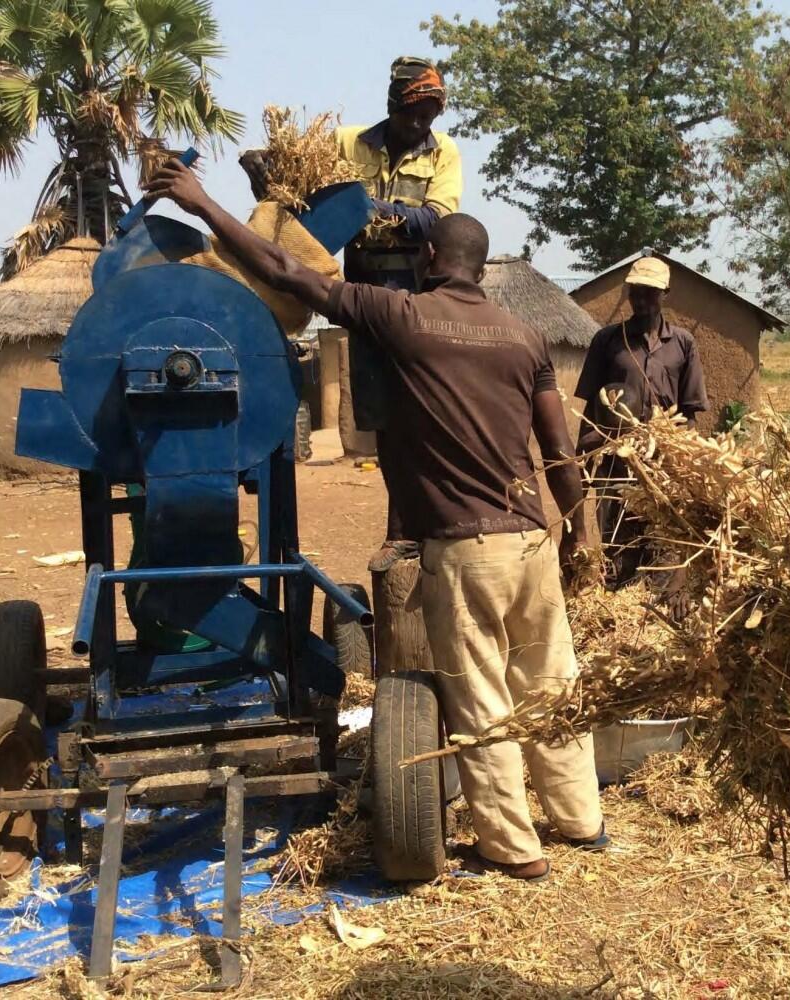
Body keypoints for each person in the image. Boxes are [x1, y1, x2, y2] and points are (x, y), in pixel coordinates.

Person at [146, 160, 605, 881]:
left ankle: (515, 850)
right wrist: (584, 531)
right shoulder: (525, 339)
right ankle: (582, 821)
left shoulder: (405, 317)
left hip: (467, 545)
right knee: (552, 684)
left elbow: (282, 268)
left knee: (481, 696)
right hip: (532, 541)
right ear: (482, 271)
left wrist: (203, 203)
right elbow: (560, 448)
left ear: (428, 261)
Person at [339, 56, 463, 571]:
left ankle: (417, 525)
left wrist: (368, 211)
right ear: (392, 105)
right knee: (384, 422)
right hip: (365, 293)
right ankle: (401, 529)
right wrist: (260, 161)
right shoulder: (349, 143)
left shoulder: (445, 152)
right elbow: (300, 183)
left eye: (431, 114)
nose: (422, 124)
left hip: (415, 297)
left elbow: (438, 221)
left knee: (421, 414)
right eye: (414, 113)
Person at [572, 256, 708, 587]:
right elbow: (593, 405)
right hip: (617, 464)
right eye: (636, 292)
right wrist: (585, 459)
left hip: (662, 468)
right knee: (617, 544)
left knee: (664, 547)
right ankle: (616, 608)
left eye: (650, 292)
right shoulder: (607, 341)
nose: (642, 299)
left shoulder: (682, 344)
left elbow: (689, 413)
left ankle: (662, 616)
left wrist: (683, 462)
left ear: (665, 294)